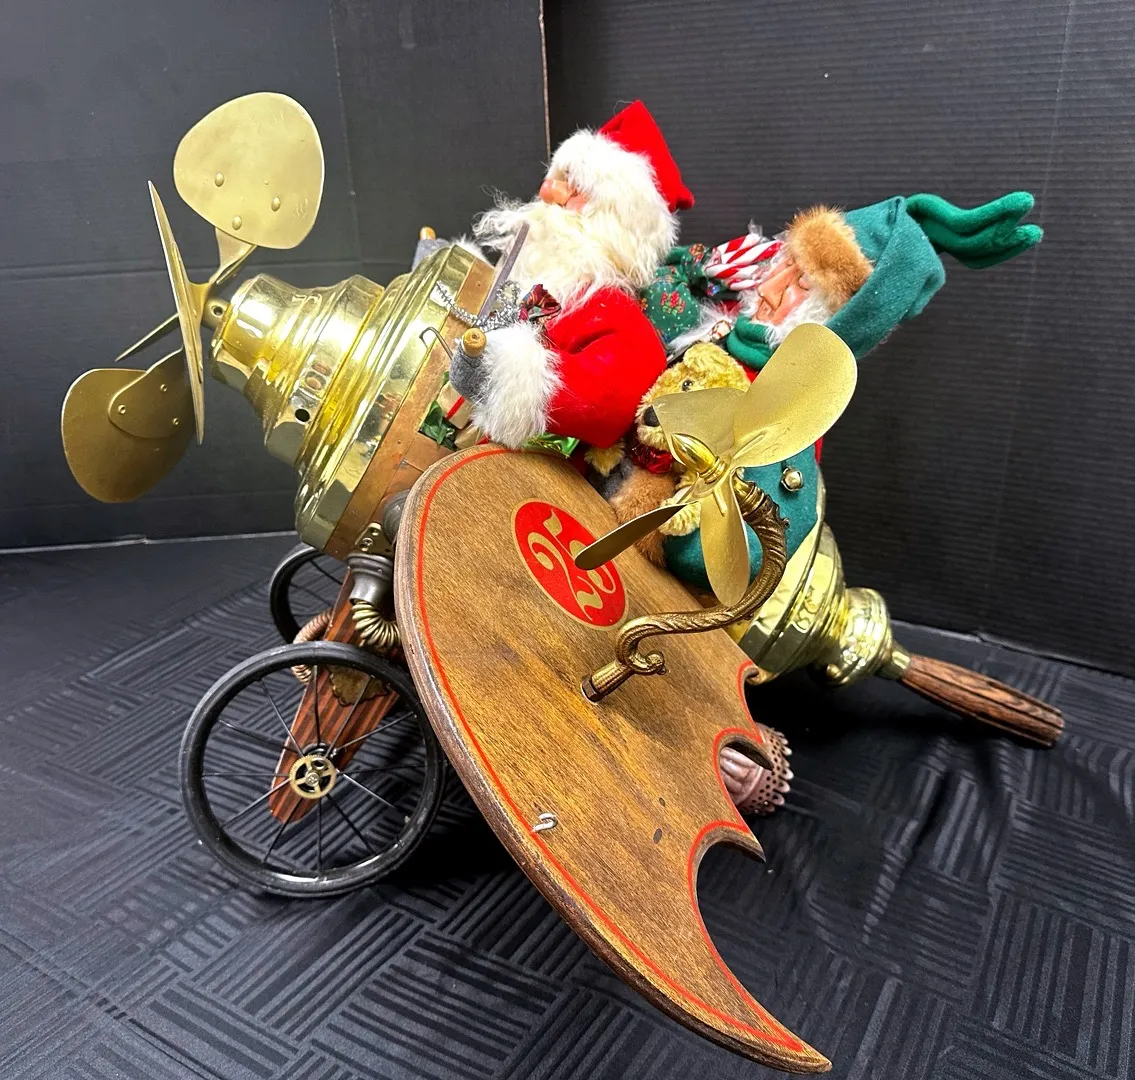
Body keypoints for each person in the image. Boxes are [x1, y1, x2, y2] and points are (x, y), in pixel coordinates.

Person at [447, 101, 694, 450]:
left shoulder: (612, 313)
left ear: (619, 220)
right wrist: (460, 280)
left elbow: (607, 397)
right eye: (557, 179)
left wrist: (504, 372)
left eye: (574, 189)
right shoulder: (542, 284)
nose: (548, 193)